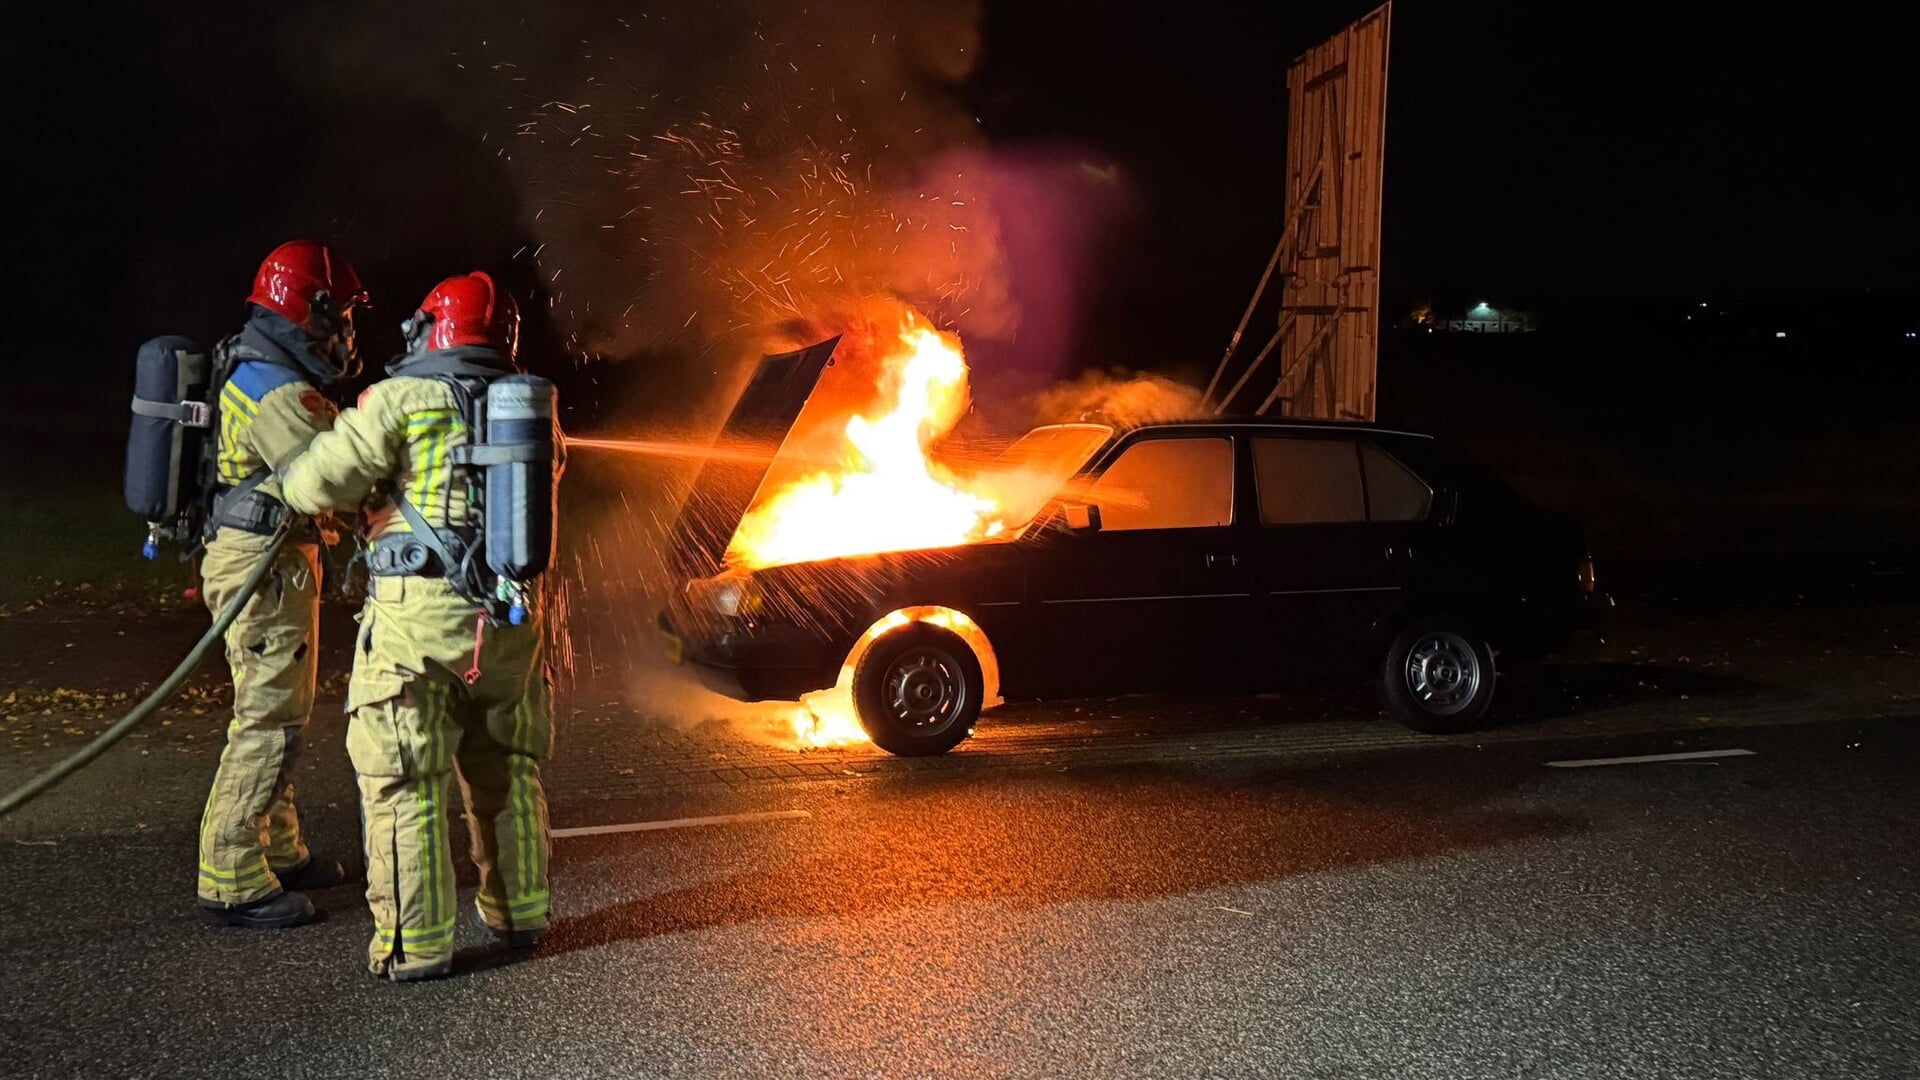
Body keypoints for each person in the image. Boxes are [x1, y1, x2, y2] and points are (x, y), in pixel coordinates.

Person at [281, 271, 554, 982]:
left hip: (416, 621)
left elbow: (316, 484)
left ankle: (417, 943)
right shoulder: (532, 408)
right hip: (508, 619)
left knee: (405, 775)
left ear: (434, 329)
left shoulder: (400, 399)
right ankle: (520, 914)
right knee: (507, 769)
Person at [196, 239, 364, 929]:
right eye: (342, 313)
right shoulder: (277, 389)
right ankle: (232, 876)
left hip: (272, 562)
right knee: (268, 720)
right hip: (262, 569)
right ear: (311, 309)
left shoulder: (261, 369)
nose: (349, 330)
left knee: (284, 713)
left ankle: (281, 848)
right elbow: (335, 476)